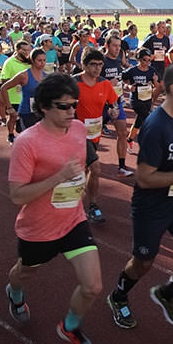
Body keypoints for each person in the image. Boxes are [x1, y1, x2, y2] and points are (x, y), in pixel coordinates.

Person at [106, 62, 173, 330]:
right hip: (151, 206)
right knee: (143, 262)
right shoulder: (155, 127)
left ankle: (167, 292)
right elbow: (144, 178)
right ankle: (118, 297)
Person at [5, 73, 103, 344]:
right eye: (63, 106)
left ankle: (70, 326)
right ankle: (14, 291)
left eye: (74, 104)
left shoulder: (79, 130)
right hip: (38, 228)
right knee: (25, 272)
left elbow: (82, 168)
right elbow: (17, 195)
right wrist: (58, 178)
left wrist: (80, 190)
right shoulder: (27, 142)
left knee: (93, 285)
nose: (71, 111)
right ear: (44, 107)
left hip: (73, 220)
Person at [75, 49, 121, 223]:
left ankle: (73, 201)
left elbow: (114, 103)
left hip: (95, 133)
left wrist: (114, 111)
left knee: (84, 170)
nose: (97, 68)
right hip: (77, 134)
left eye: (100, 64)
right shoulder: (74, 83)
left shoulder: (105, 84)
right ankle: (93, 207)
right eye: (93, 64)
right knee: (96, 168)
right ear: (84, 65)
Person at [100, 36, 134, 177]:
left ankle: (121, 167)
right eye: (114, 45)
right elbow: (93, 80)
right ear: (107, 46)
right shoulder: (101, 61)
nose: (117, 48)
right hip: (101, 104)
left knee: (123, 133)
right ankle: (88, 162)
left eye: (119, 46)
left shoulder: (120, 58)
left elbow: (119, 78)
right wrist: (107, 83)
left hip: (116, 101)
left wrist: (126, 85)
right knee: (92, 135)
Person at [122, 49, 161, 155]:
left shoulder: (151, 71)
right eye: (145, 60)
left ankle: (129, 140)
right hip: (136, 101)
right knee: (148, 120)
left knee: (138, 122)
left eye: (149, 60)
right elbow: (123, 80)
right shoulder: (132, 71)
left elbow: (158, 87)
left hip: (147, 100)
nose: (147, 63)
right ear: (139, 59)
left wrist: (155, 81)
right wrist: (129, 86)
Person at [1, 48, 48, 131]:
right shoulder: (24, 75)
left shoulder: (46, 76)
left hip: (42, 113)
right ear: (32, 61)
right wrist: (9, 107)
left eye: (44, 60)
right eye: (39, 60)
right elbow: (4, 88)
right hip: (27, 114)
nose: (42, 63)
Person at [1, 41, 33, 144]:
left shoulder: (30, 62)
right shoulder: (9, 62)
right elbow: (4, 81)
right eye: (25, 50)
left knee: (30, 118)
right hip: (14, 97)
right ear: (18, 50)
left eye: (29, 50)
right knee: (13, 117)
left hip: (29, 97)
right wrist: (18, 83)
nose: (28, 52)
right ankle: (10, 134)